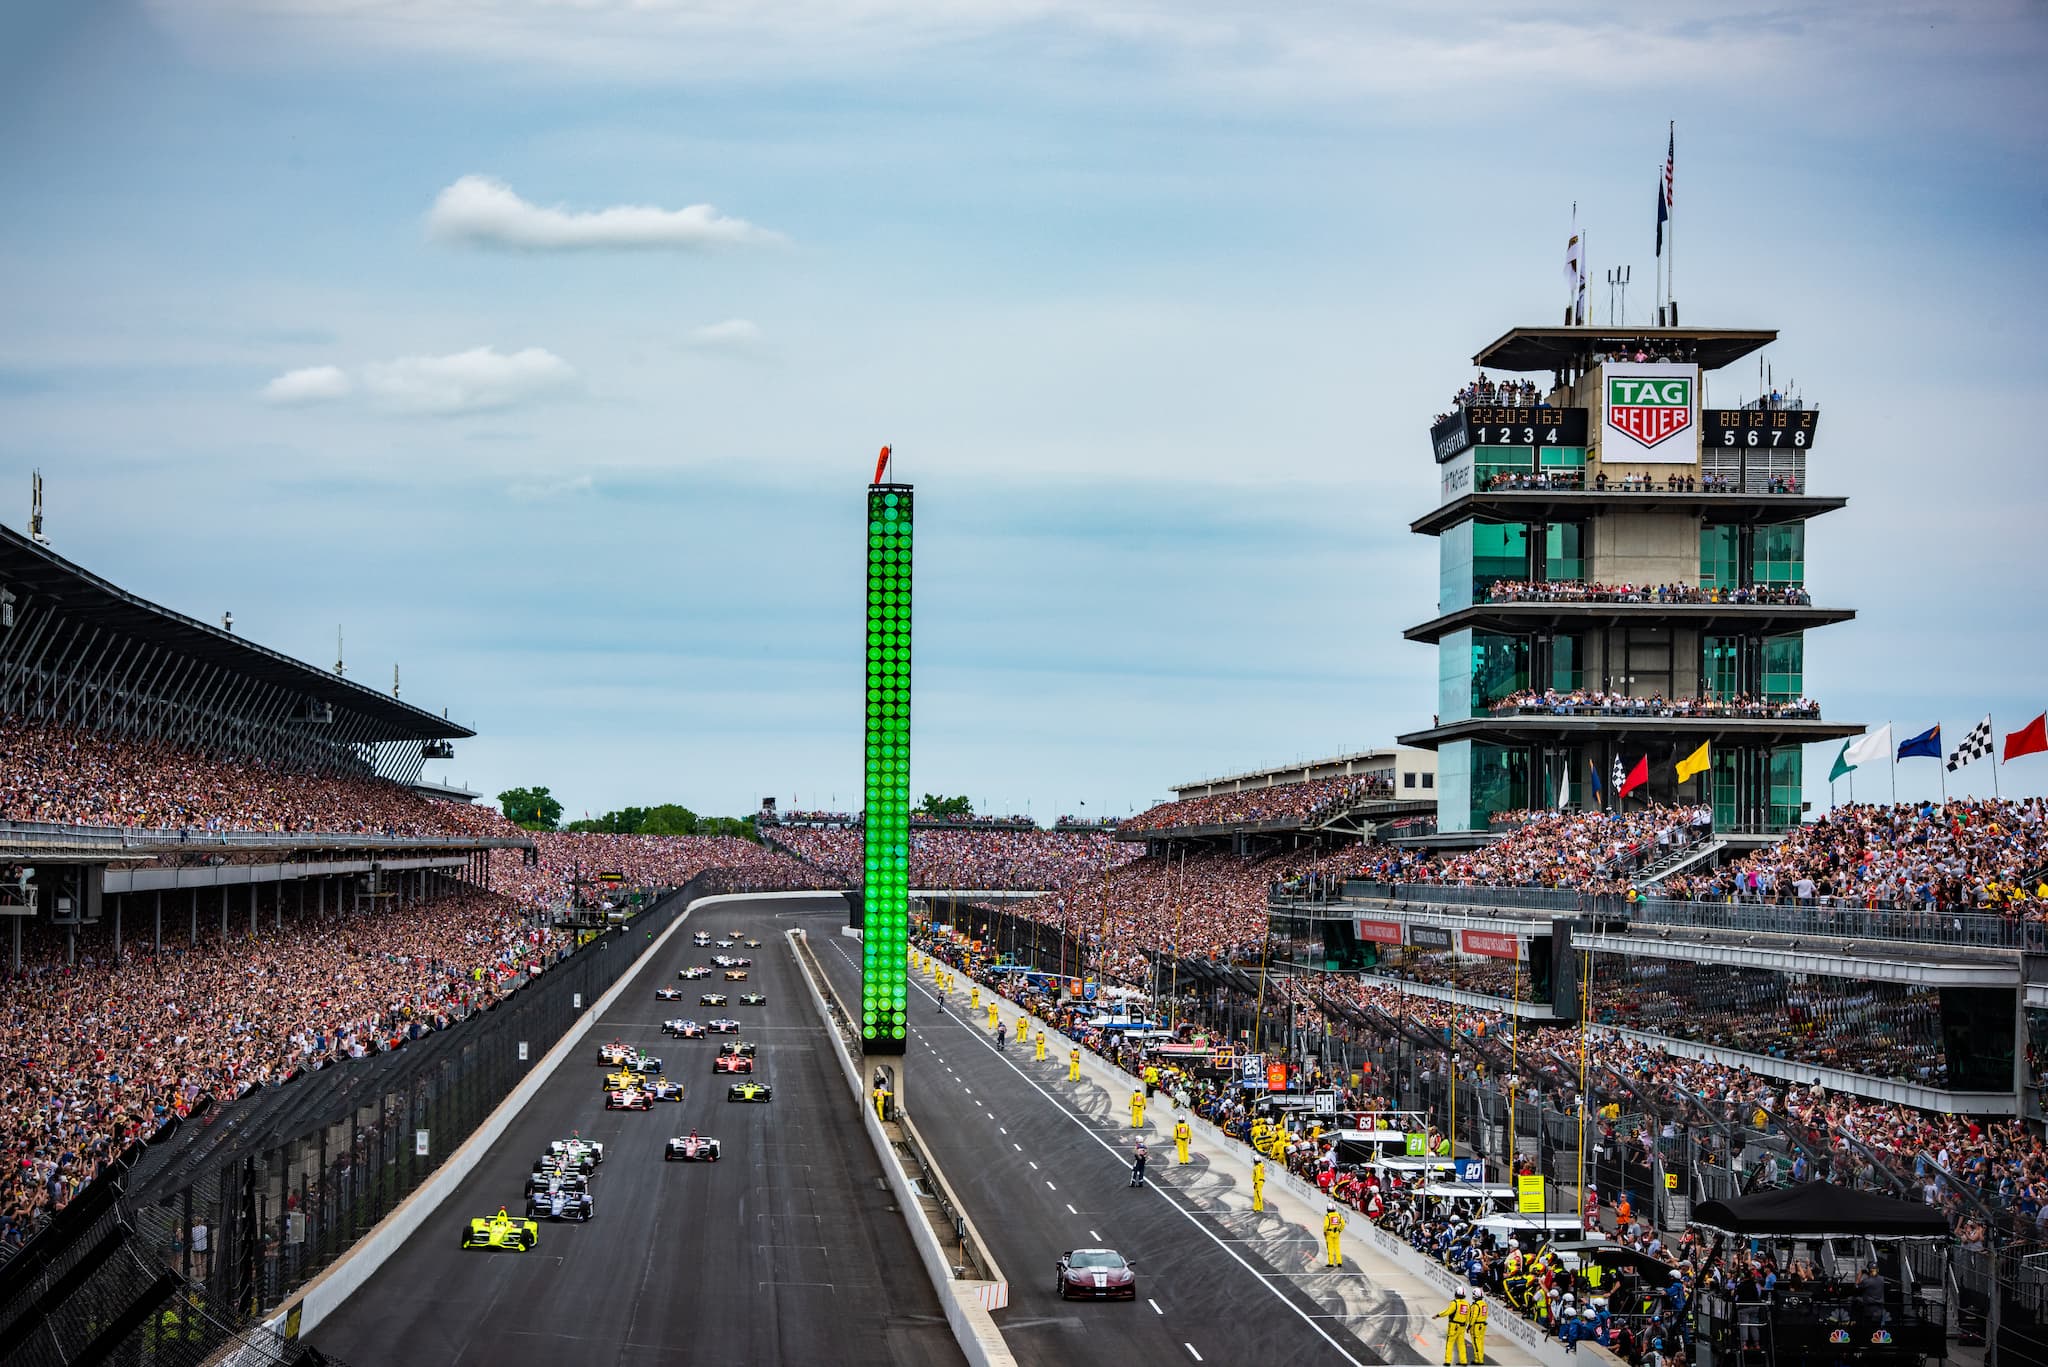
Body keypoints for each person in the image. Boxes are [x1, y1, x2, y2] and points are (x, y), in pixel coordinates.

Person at [1433, 1289, 1472, 1364]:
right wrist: (1466, 1325)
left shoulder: (1454, 1303)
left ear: (1456, 1294)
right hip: (1462, 1326)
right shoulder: (1467, 1304)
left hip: (1454, 1326)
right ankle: (1463, 1361)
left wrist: (1438, 1315)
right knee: (1461, 1344)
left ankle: (1448, 1361)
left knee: (1450, 1343)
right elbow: (1468, 1316)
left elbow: (1448, 1312)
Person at [1467, 1286, 1489, 1359]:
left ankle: (1478, 1359)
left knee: (1476, 1342)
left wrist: (1469, 1326)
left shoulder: (1476, 1305)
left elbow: (1474, 1316)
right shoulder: (1484, 1304)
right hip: (1483, 1325)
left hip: (1476, 1325)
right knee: (1481, 1342)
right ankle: (1481, 1358)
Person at [1323, 1204, 1347, 1269]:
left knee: (1330, 1248)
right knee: (1337, 1248)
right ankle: (1339, 1262)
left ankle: (1331, 1263)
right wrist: (1339, 1231)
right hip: (1336, 1233)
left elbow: (1325, 1226)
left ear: (1328, 1209)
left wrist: (1324, 1232)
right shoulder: (1338, 1215)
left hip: (1329, 1233)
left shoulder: (1327, 1216)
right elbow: (1343, 1224)